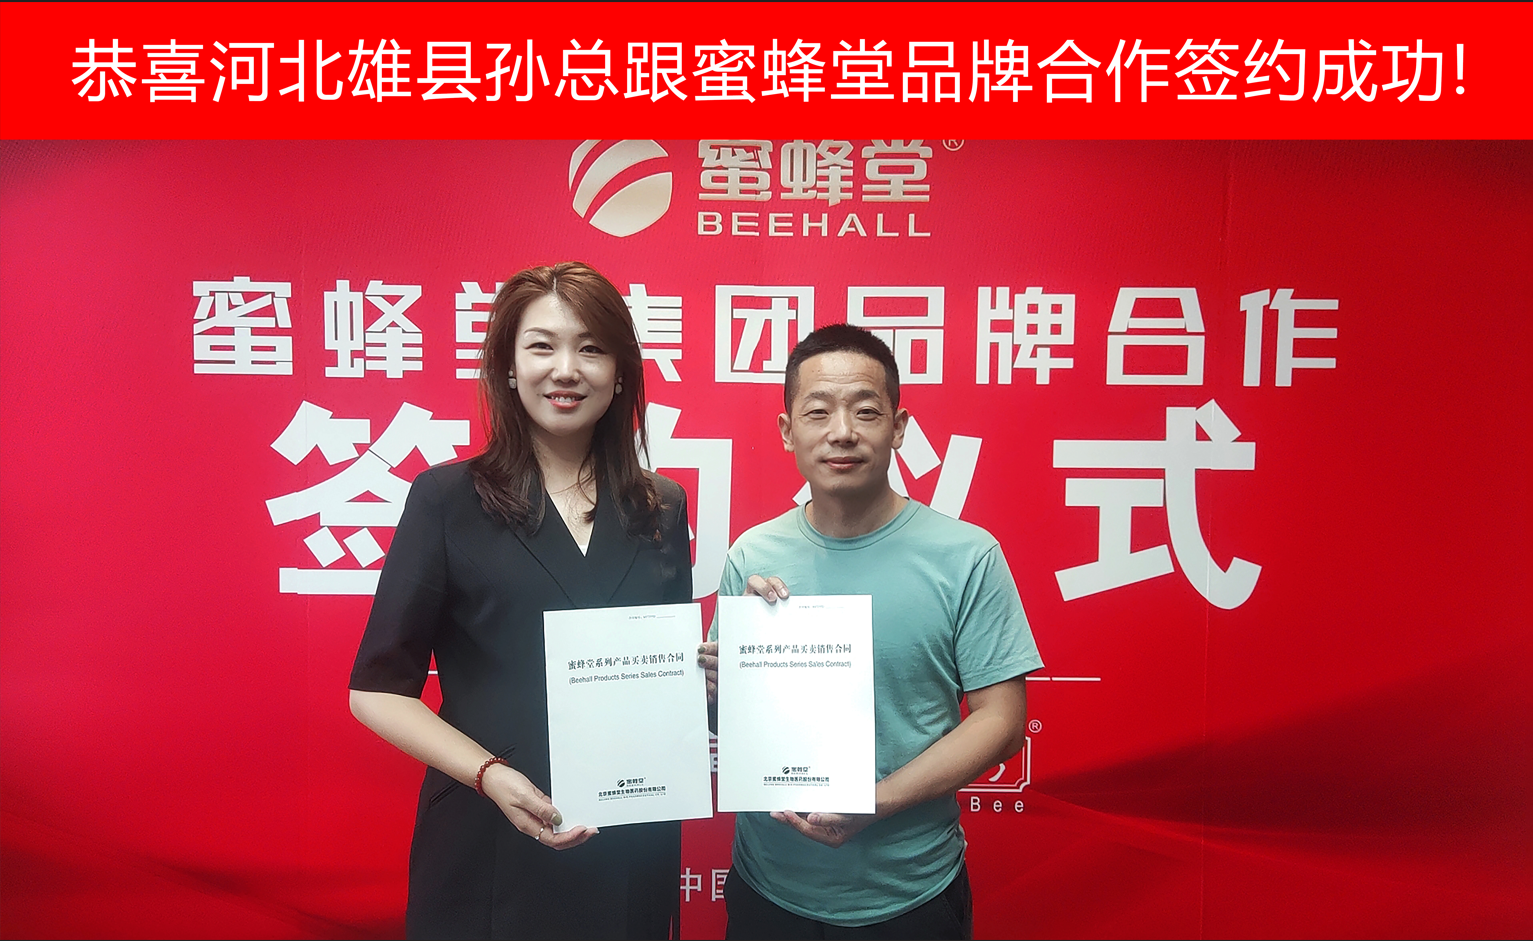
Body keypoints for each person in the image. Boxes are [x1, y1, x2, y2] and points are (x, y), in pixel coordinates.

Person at [349, 262, 693, 940]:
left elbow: (667, 682)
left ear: (620, 373)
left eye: (590, 348)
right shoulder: (447, 499)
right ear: (507, 367)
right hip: (489, 832)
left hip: (628, 836)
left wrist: (713, 668)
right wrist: (489, 776)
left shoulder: (660, 505)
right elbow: (377, 692)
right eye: (542, 346)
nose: (566, 369)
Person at [697, 324, 1043, 940]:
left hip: (913, 891)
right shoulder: (753, 556)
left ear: (899, 427)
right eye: (818, 412)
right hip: (770, 886)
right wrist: (727, 680)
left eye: (865, 411)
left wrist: (874, 801)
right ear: (787, 431)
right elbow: (722, 719)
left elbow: (1002, 721)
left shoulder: (966, 555)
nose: (842, 432)